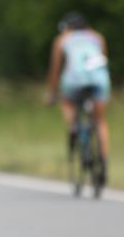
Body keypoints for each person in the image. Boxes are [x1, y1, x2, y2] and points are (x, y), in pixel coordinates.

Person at [45, 11, 111, 183]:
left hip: (73, 82)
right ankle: (103, 160)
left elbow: (55, 69)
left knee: (67, 104)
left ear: (66, 28)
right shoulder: (97, 37)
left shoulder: (62, 40)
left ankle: (74, 127)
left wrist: (52, 94)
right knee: (100, 121)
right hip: (99, 80)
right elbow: (103, 60)